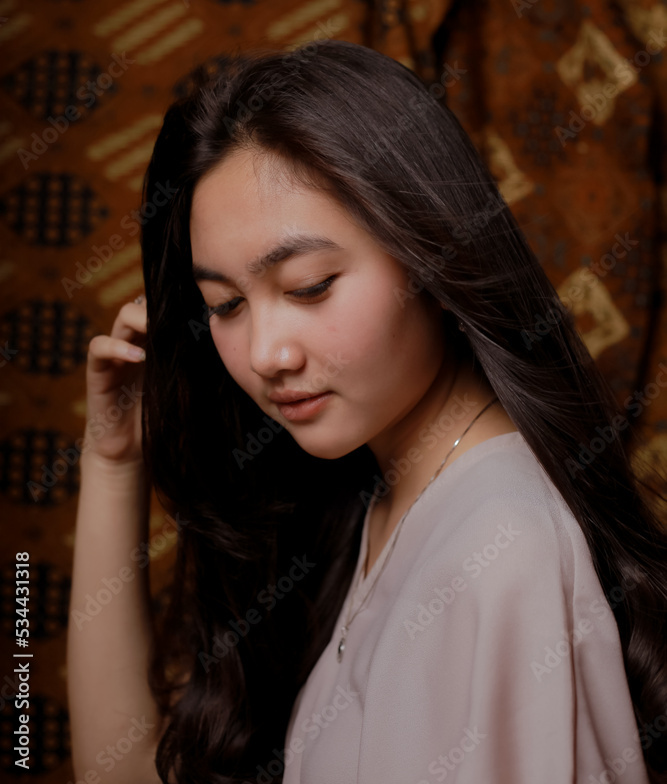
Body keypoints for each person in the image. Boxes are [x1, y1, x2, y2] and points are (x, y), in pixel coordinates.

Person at [67, 39, 667, 784]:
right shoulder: (378, 501)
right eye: (223, 305)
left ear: (433, 253)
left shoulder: (499, 544)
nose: (265, 353)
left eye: (310, 285)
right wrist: (113, 460)